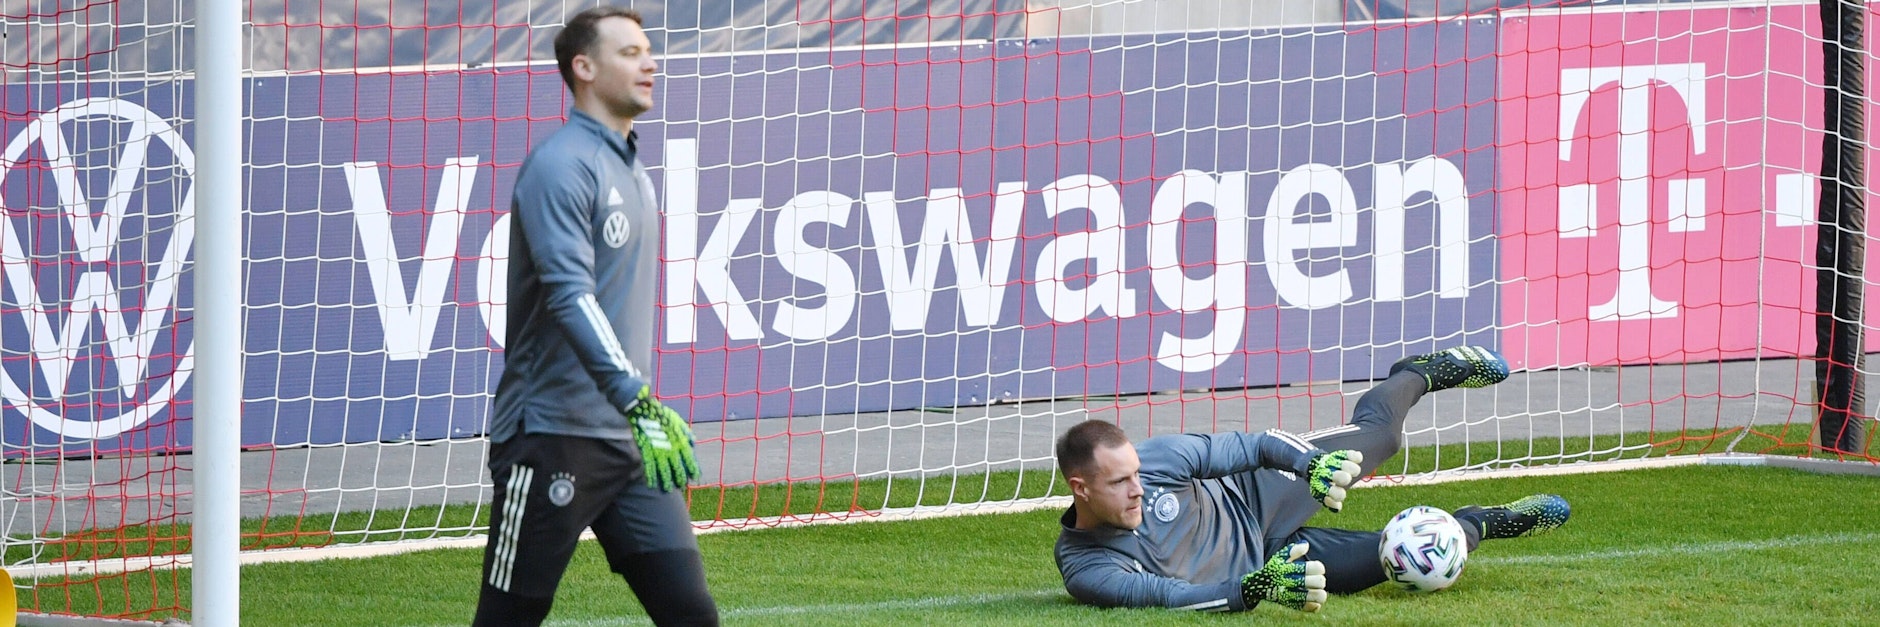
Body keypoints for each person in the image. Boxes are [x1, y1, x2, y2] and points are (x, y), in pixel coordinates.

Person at [473, 7, 719, 626]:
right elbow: (569, 295)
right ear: (584, 68)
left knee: (691, 615)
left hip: (631, 441)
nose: (651, 63)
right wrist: (635, 395)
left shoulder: (629, 163)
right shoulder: (560, 166)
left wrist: (635, 411)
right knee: (506, 621)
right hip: (551, 435)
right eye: (630, 53)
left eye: (648, 51)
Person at [1053, 346, 1571, 612]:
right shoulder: (1087, 567)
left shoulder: (1159, 458)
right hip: (1276, 563)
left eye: (1136, 475)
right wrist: (1255, 588)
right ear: (1081, 488)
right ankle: (1482, 523)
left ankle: (1416, 373)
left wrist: (1311, 466)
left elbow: (1253, 446)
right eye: (1120, 482)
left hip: (1258, 492)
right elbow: (1169, 598)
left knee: (1381, 437)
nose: (1139, 488)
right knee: (1404, 560)